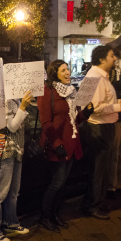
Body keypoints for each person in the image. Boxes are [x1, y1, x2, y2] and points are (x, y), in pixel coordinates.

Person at [37, 60, 93, 232]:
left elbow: (75, 119)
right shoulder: (47, 92)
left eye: (68, 69)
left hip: (71, 143)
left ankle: (55, 214)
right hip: (57, 144)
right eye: (63, 70)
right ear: (55, 73)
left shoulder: (71, 92)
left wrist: (87, 112)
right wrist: (57, 143)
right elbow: (46, 122)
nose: (68, 72)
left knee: (62, 183)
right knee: (57, 182)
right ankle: (45, 217)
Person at [81, 45, 121, 220]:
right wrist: (119, 106)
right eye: (111, 55)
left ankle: (96, 203)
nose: (114, 58)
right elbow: (94, 108)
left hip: (104, 125)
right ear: (101, 59)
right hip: (98, 127)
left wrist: (118, 101)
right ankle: (92, 205)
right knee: (98, 168)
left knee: (102, 167)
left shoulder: (101, 76)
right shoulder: (95, 77)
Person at [0, 91, 33, 241]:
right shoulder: (1, 99)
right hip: (4, 151)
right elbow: (11, 127)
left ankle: (11, 223)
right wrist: (23, 106)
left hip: (17, 149)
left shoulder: (16, 98)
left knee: (13, 191)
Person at [107, 35, 121, 198]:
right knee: (114, 153)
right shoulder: (113, 71)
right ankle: (111, 186)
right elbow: (107, 93)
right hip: (117, 118)